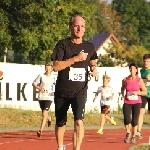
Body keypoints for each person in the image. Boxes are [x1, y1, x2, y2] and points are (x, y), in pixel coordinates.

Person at [51, 15, 98, 150]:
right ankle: (60, 148)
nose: (79, 28)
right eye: (76, 25)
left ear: (85, 29)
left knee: (79, 122)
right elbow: (55, 66)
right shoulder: (62, 44)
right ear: (70, 27)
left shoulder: (89, 46)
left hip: (80, 90)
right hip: (62, 90)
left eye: (82, 26)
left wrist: (93, 69)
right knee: (60, 122)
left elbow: (92, 60)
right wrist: (75, 59)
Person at [121, 62, 147, 144]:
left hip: (137, 102)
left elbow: (145, 92)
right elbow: (122, 88)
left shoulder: (139, 80)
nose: (132, 70)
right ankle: (128, 133)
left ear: (136, 70)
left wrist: (137, 93)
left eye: (134, 68)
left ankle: (133, 136)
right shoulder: (125, 80)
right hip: (127, 101)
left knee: (134, 121)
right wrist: (122, 94)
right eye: (131, 68)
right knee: (126, 119)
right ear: (129, 70)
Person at [32, 62, 55, 137]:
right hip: (41, 97)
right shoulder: (41, 76)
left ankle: (40, 130)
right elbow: (34, 83)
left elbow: (58, 85)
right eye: (46, 68)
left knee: (44, 113)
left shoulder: (53, 77)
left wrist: (55, 92)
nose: (48, 70)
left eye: (49, 69)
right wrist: (39, 88)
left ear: (51, 69)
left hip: (49, 97)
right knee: (44, 114)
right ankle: (49, 118)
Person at [136, 54, 150, 139]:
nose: (146, 63)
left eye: (147, 61)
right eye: (144, 61)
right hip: (144, 93)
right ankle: (138, 131)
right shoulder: (141, 71)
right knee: (141, 112)